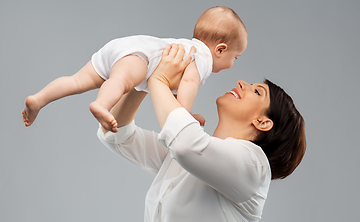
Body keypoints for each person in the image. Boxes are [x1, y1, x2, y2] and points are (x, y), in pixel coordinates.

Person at [97, 44, 306, 222]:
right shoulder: (192, 156)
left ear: (262, 122)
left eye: (257, 91)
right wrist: (144, 76)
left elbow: (185, 144)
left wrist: (159, 78)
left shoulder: (254, 168)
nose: (242, 83)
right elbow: (118, 135)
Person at [22, 6, 247, 132]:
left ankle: (38, 99)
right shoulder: (203, 58)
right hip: (140, 57)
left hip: (124, 46)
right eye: (235, 57)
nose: (233, 63)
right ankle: (102, 104)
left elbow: (169, 92)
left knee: (77, 81)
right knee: (120, 82)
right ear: (220, 49)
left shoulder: (187, 47)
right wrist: (183, 114)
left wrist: (185, 111)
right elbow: (188, 84)